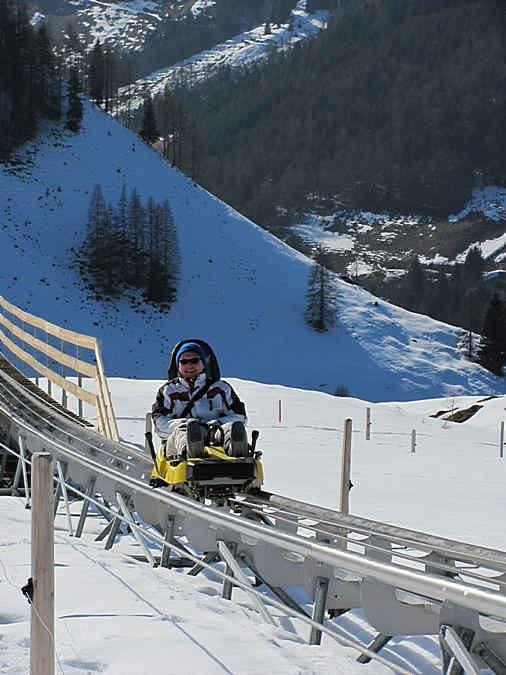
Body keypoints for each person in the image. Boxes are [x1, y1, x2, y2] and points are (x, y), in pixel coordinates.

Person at [152, 340, 248, 459]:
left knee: (232, 428)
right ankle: (191, 454)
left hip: (215, 433)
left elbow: (239, 416)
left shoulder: (221, 388)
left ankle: (238, 455)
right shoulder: (168, 391)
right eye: (184, 361)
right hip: (177, 442)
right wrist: (186, 424)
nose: (189, 365)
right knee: (186, 432)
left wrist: (217, 424)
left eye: (194, 360)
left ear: (203, 363)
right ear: (178, 365)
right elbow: (159, 423)